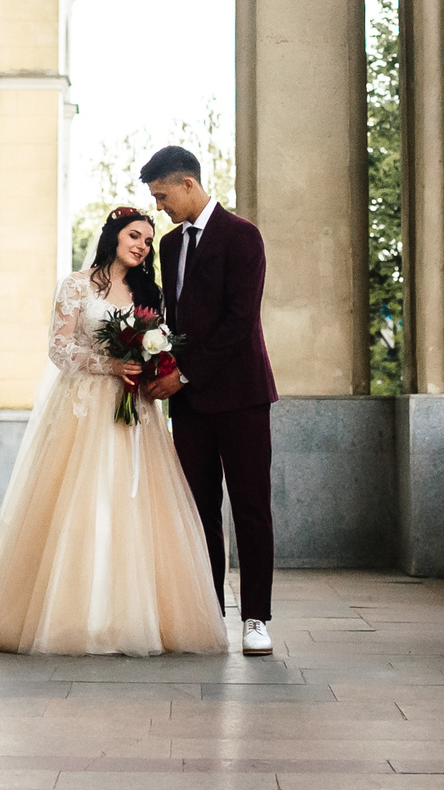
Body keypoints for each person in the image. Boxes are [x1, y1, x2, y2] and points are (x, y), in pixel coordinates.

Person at [0, 207, 226, 655]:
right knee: (81, 504)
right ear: (114, 236)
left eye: (148, 240)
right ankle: (72, 616)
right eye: (134, 236)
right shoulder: (76, 285)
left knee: (134, 507)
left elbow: (160, 343)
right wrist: (110, 364)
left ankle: (133, 618)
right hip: (83, 410)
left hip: (135, 410)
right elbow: (59, 347)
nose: (142, 246)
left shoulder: (149, 294)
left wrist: (149, 363)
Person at [143, 144, 278, 656]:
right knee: (199, 508)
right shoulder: (169, 245)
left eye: (162, 196)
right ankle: (208, 612)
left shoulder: (243, 236)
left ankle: (256, 618)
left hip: (242, 396)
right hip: (190, 406)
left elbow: (240, 322)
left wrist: (184, 374)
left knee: (250, 507)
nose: (159, 207)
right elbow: (175, 320)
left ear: (188, 184)